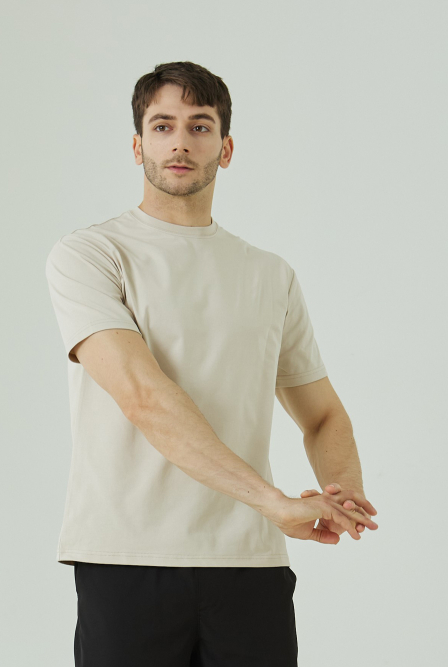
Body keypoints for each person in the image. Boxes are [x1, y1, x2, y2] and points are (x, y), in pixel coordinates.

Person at [45, 60, 379, 667]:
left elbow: (323, 413)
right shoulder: (91, 255)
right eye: (163, 125)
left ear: (225, 149)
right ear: (138, 145)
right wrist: (274, 502)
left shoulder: (270, 275)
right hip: (129, 561)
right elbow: (143, 396)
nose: (180, 142)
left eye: (200, 126)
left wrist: (344, 493)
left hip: (250, 565)